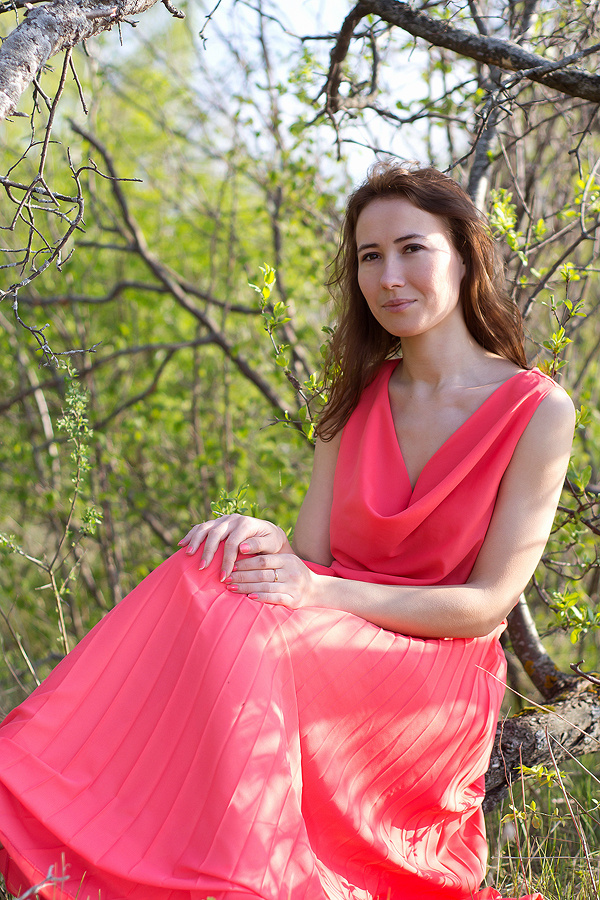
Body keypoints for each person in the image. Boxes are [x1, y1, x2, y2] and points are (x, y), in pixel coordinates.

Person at [0, 161, 575, 900]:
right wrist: (264, 537)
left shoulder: (537, 409)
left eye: (412, 249)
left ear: (465, 256)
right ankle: (32, 789)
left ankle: (248, 879)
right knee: (208, 565)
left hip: (435, 669)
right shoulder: (357, 393)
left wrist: (320, 591)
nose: (389, 277)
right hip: (332, 631)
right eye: (369, 256)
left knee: (252, 634)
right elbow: (308, 559)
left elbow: (487, 605)